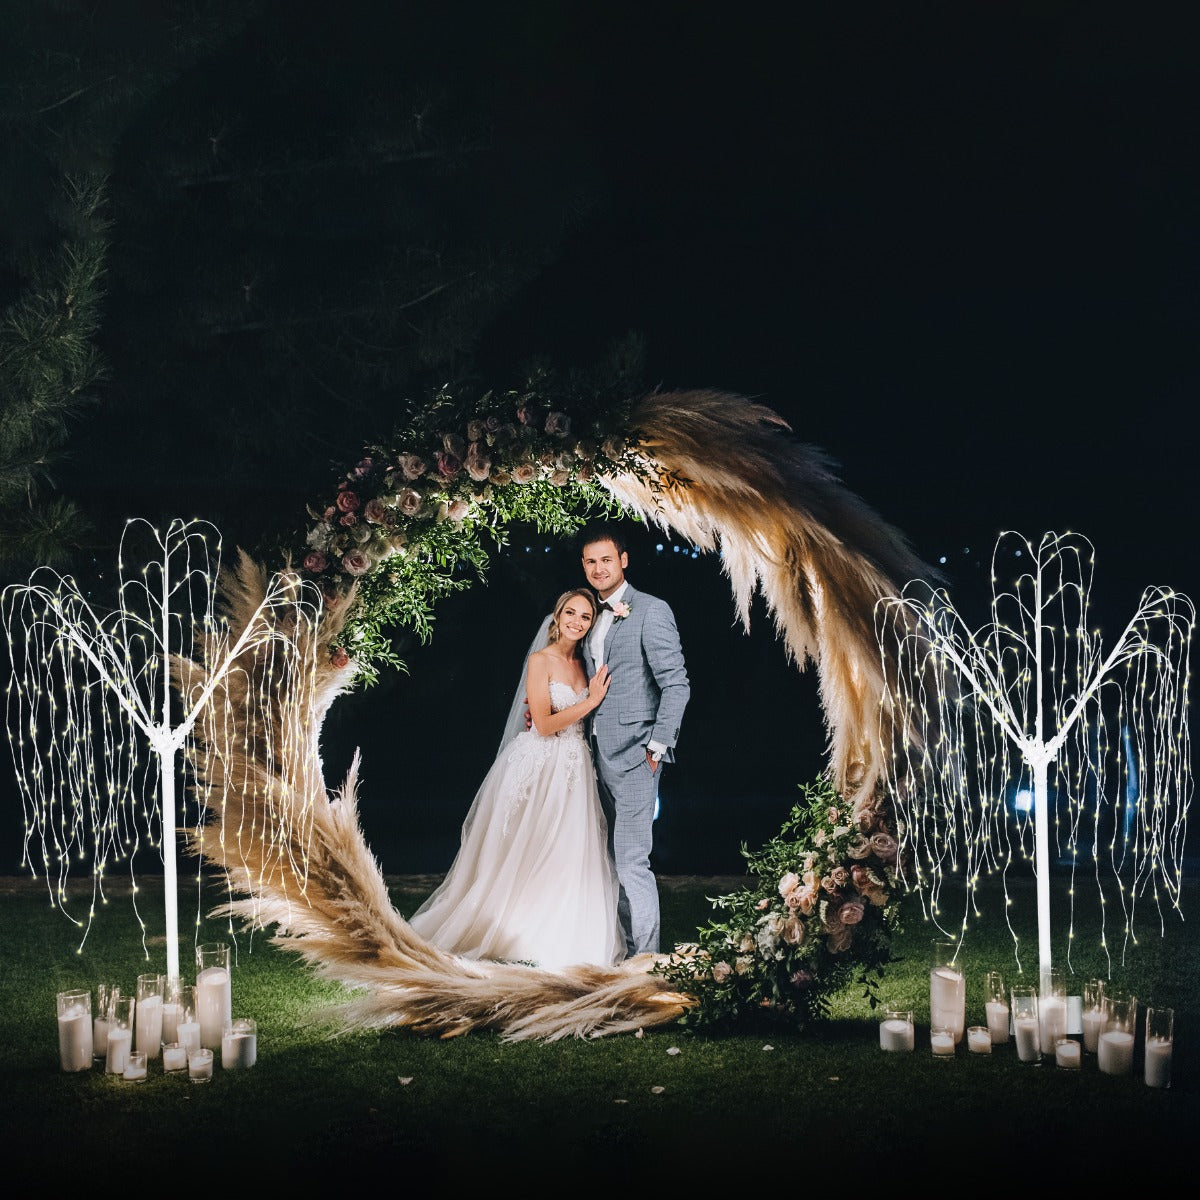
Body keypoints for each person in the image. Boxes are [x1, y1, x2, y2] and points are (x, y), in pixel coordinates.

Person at [407, 588, 625, 971]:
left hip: (574, 766)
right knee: (521, 847)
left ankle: (554, 934)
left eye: (585, 617)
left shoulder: (586, 665)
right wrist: (588, 703)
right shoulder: (541, 660)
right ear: (557, 617)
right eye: (570, 613)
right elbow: (541, 723)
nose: (576, 621)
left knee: (567, 852)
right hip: (539, 763)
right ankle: (506, 930)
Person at [511, 523, 690, 957]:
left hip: (634, 759)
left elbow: (677, 684)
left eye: (606, 559)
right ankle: (621, 949)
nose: (598, 568)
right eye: (591, 561)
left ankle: (646, 959)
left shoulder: (650, 610)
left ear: (623, 561)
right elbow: (571, 672)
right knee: (606, 863)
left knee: (632, 860)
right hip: (588, 758)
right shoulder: (586, 614)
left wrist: (657, 749)